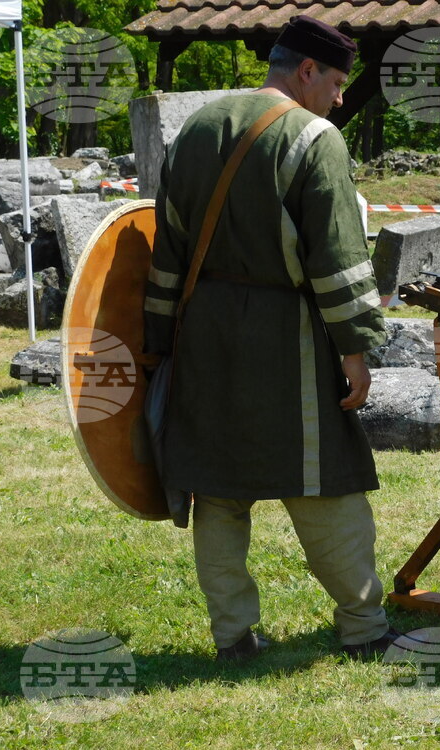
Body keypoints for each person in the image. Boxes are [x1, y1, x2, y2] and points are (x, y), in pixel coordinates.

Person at [143, 15, 398, 661]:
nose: (340, 96)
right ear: (307, 71)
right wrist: (356, 349)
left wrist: (159, 339)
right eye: (336, 83)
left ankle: (232, 636)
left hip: (203, 332)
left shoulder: (196, 128)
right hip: (289, 337)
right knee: (322, 480)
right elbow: (337, 257)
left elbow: (167, 247)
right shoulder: (314, 137)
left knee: (218, 491)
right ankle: (364, 627)